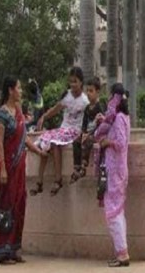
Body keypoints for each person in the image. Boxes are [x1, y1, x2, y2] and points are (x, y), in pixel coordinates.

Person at [0, 76, 47, 265]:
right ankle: (3, 251)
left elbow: (24, 138)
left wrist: (38, 152)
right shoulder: (2, 114)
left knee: (19, 205)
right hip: (8, 167)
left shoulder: (18, 111)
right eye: (18, 87)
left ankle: (14, 248)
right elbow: (0, 144)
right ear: (10, 90)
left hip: (19, 167)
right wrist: (2, 169)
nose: (21, 91)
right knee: (6, 206)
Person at [31, 66, 89, 197]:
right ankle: (39, 181)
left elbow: (89, 118)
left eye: (75, 81)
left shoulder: (85, 101)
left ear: (81, 82)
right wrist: (43, 117)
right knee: (44, 141)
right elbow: (56, 109)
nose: (72, 85)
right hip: (63, 129)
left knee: (55, 142)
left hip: (74, 131)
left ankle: (58, 180)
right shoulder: (67, 96)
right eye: (71, 81)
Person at [96, 83, 131, 267]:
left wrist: (106, 142)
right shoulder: (124, 117)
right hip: (118, 170)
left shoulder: (118, 119)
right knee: (118, 211)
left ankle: (122, 254)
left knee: (112, 213)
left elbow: (121, 143)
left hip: (115, 171)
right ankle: (121, 252)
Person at [71, 76, 106, 184]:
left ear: (97, 92)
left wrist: (89, 134)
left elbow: (102, 125)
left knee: (89, 140)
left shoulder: (100, 106)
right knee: (76, 141)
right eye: (87, 91)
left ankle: (83, 166)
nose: (88, 94)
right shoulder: (87, 108)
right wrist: (83, 133)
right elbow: (84, 124)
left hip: (97, 134)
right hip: (88, 134)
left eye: (91, 91)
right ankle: (77, 167)